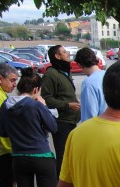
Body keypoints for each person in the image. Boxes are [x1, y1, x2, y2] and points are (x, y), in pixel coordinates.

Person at [0, 67, 58, 187]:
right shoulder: (36, 105)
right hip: (41, 155)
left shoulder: (5, 106)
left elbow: (2, 131)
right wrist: (44, 106)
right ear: (35, 90)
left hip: (18, 156)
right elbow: (53, 127)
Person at [42, 45, 80, 177]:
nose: (68, 53)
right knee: (63, 154)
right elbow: (47, 99)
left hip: (71, 120)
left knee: (70, 153)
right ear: (57, 56)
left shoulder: (64, 71)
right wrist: (67, 105)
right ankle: (61, 185)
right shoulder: (50, 74)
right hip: (61, 121)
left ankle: (69, 182)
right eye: (64, 52)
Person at [75, 47, 106, 122]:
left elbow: (89, 116)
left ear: (79, 65)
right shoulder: (109, 75)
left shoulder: (88, 83)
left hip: (99, 128)